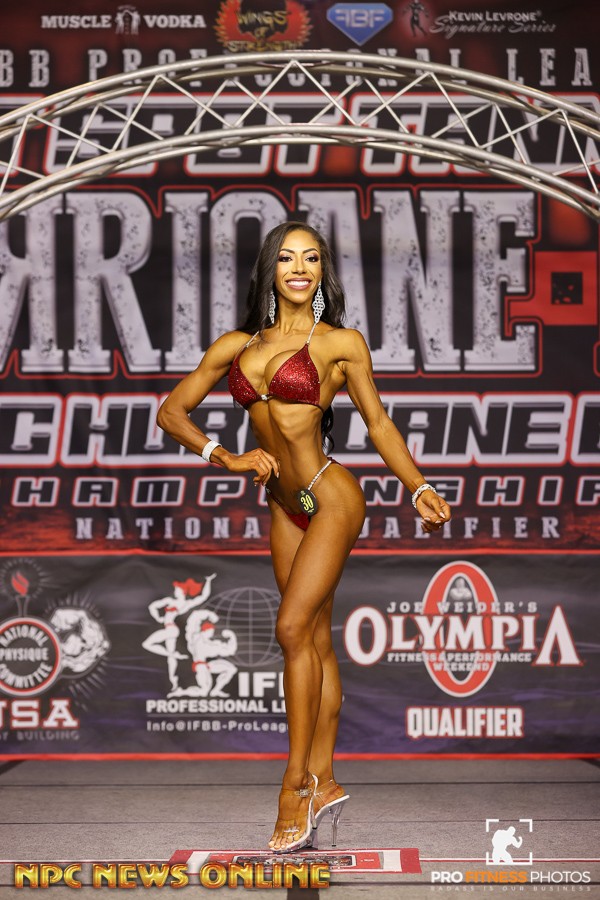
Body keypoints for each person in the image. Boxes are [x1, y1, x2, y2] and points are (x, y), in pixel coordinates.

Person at [156, 221, 451, 852]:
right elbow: (171, 412)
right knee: (313, 639)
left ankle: (294, 785)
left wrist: (418, 487)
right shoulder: (237, 345)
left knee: (291, 629)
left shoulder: (340, 342)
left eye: (311, 259)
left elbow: (378, 423)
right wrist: (224, 456)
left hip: (331, 495)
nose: (299, 268)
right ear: (271, 269)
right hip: (285, 504)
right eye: (287, 258)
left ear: (322, 272)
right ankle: (328, 780)